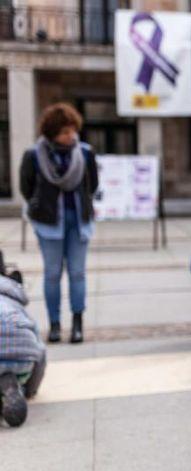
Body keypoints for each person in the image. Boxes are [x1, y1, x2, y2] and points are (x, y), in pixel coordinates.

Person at [19, 103, 99, 344]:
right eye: (65, 132)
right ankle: (54, 325)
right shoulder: (33, 155)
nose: (71, 135)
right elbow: (26, 188)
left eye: (73, 130)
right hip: (48, 223)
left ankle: (77, 324)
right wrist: (39, 208)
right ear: (52, 132)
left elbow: (92, 186)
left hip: (78, 222)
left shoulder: (85, 153)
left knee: (77, 273)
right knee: (52, 274)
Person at [0, 253, 46, 427]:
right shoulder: (14, 297)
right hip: (21, 359)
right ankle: (13, 386)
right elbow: (40, 350)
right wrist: (31, 389)